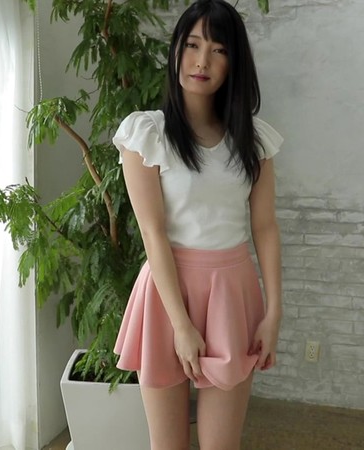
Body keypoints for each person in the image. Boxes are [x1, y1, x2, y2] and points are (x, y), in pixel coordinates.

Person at [112, 0, 284, 449]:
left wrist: (274, 312)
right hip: (166, 294)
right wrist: (182, 326)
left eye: (218, 49)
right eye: (192, 44)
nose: (202, 60)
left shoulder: (253, 140)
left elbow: (265, 228)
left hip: (232, 294)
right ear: (176, 51)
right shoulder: (147, 134)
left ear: (234, 62)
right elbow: (152, 233)